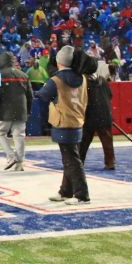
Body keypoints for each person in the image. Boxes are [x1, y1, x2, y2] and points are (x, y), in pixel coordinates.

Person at [38, 45, 90, 205]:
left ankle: (82, 195)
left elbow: (43, 96)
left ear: (59, 61)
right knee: (70, 158)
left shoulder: (56, 80)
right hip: (77, 120)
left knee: (72, 159)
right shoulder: (82, 78)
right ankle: (65, 191)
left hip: (62, 121)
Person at [0, 52, 32, 170]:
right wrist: (28, 111)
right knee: (19, 136)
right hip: (21, 110)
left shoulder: (0, 75)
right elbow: (30, 96)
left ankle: (11, 156)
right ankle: (19, 163)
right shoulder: (23, 75)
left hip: (4, 111)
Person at [80, 58, 116, 170]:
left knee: (84, 142)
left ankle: (79, 162)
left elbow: (82, 99)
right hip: (104, 114)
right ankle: (110, 163)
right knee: (107, 141)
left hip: (90, 115)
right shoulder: (102, 80)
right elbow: (110, 96)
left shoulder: (83, 81)